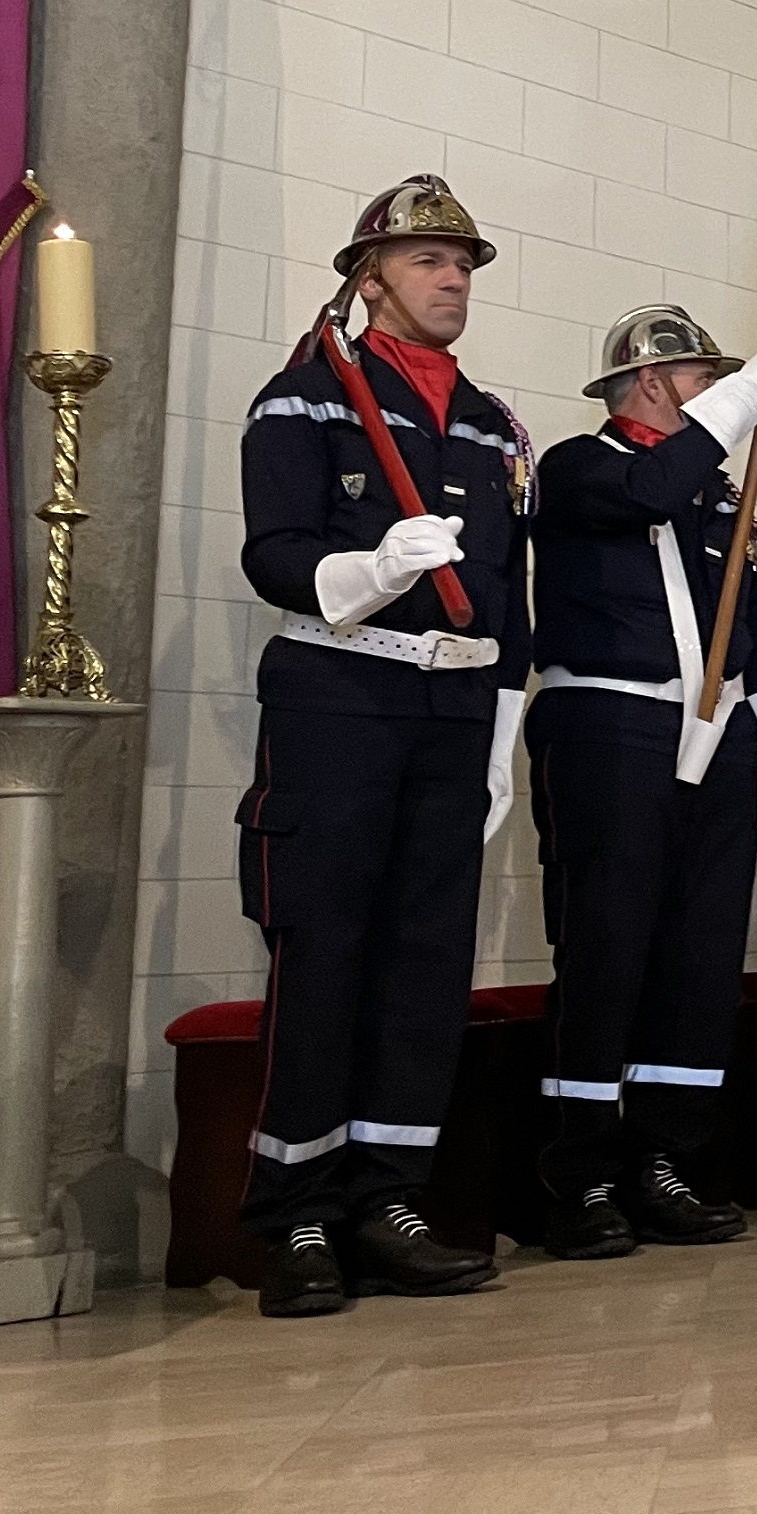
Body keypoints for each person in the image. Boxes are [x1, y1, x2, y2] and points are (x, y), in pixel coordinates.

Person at [232, 176, 533, 1319]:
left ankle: (387, 1198)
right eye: (426, 261)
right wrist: (369, 574)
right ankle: (296, 1212)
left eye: (462, 262)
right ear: (368, 280)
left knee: (423, 964)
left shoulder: (495, 423)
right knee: (326, 955)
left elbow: (510, 589)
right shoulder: (305, 398)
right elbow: (273, 554)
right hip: (340, 706)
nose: (453, 279)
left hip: (454, 717)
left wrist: (504, 721)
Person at [523, 305, 757, 1260]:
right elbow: (648, 491)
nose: (718, 396)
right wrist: (740, 403)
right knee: (608, 945)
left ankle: (662, 1160)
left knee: (699, 956)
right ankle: (579, 1173)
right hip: (611, 721)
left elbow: (751, 625)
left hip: (714, 728)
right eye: (701, 379)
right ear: (650, 385)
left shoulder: (722, 496)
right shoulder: (580, 467)